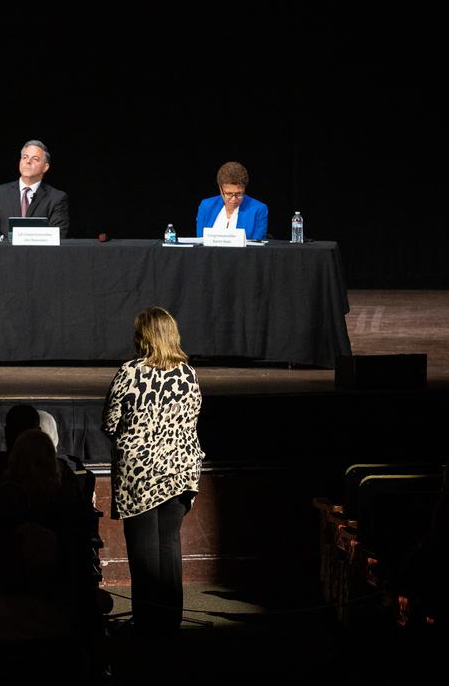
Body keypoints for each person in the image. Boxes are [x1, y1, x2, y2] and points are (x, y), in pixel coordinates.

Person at [102, 306, 204, 634]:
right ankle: (169, 620)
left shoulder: (130, 372)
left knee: (143, 550)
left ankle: (148, 623)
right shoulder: (188, 374)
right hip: (180, 471)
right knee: (169, 544)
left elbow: (110, 422)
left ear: (142, 336)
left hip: (140, 476)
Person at [0, 139, 70, 238]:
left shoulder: (57, 198)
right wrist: (7, 245)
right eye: (25, 157)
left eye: (35, 159)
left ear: (45, 167)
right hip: (4, 248)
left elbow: (58, 234)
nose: (28, 161)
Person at [194, 160, 268, 240]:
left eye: (239, 194)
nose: (233, 199)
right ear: (220, 189)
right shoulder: (206, 206)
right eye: (229, 194)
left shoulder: (258, 209)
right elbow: (200, 241)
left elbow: (256, 245)